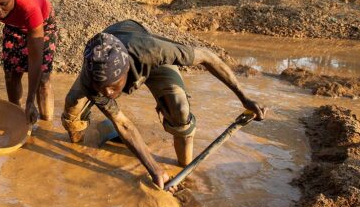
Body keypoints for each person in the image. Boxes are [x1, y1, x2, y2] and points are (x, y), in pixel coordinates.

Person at [61, 20, 266, 190]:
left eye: (113, 86)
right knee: (72, 108)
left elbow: (207, 57)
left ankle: (184, 168)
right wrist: (153, 168)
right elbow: (122, 124)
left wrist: (244, 97)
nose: (107, 93)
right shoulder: (92, 80)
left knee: (179, 106)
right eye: (101, 87)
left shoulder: (153, 51)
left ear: (126, 72)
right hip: (108, 55)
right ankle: (78, 146)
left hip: (140, 47)